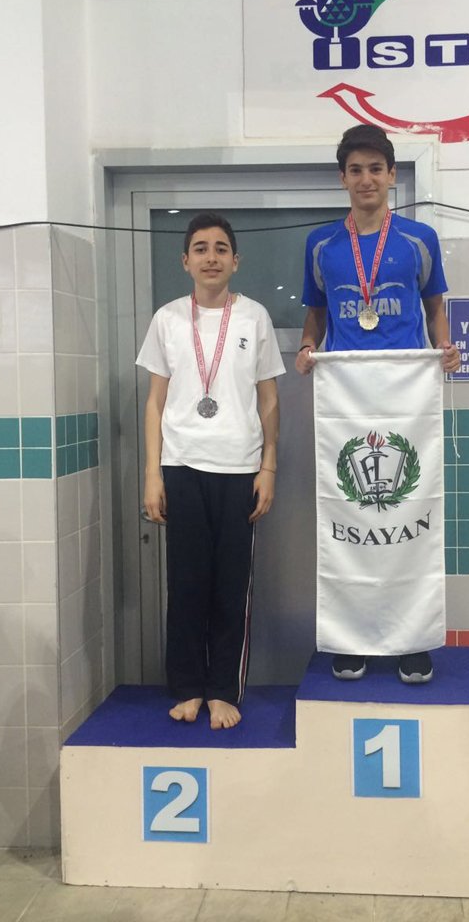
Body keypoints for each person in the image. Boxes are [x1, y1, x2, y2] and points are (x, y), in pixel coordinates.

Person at [295, 123, 460, 685]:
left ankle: (412, 642)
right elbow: (316, 314)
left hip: (407, 393)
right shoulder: (321, 244)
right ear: (342, 179)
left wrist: (445, 348)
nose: (365, 179)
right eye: (355, 170)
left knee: (409, 516)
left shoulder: (419, 239)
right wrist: (307, 347)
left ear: (391, 175)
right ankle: (352, 639)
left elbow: (434, 307)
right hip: (346, 396)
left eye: (375, 169)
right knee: (350, 514)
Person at [136, 212, 285, 728]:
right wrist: (152, 473)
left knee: (231, 585)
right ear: (185, 261)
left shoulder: (255, 317)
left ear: (235, 260)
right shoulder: (167, 319)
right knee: (186, 583)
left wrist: (268, 466)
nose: (211, 257)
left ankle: (223, 689)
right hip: (180, 464)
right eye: (200, 248)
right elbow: (155, 402)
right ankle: (187, 687)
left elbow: (269, 400)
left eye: (221, 248)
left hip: (239, 467)